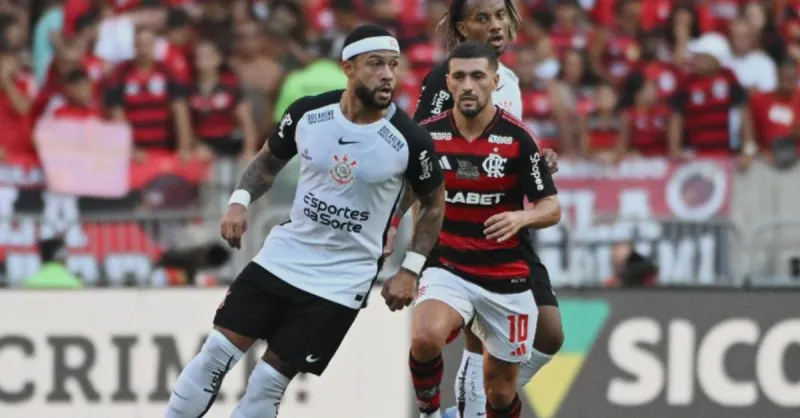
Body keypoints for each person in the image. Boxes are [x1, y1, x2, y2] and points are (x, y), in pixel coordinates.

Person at [163, 24, 446, 418]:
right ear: (348, 68)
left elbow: (434, 205)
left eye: (393, 65)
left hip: (342, 280)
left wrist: (411, 269)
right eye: (375, 64)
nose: (387, 75)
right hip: (283, 257)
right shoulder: (309, 114)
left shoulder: (410, 140)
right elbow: (266, 164)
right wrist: (239, 201)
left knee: (266, 384)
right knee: (214, 354)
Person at [403, 1, 564, 416]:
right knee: (475, 343)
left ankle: (477, 401)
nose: (495, 25)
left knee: (549, 334)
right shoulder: (446, 78)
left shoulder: (507, 79)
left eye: (500, 15)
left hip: (505, 228)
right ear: (462, 27)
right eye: (482, 18)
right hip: (456, 231)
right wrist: (404, 233)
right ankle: (467, 405)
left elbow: (505, 145)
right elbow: (423, 156)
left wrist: (534, 162)